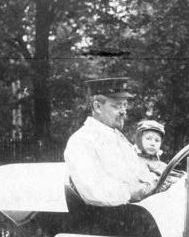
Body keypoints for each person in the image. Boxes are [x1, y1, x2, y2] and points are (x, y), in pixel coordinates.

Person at [64, 78, 159, 207]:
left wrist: (154, 181)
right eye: (116, 106)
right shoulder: (81, 141)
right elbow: (95, 192)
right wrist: (133, 192)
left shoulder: (117, 137)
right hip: (104, 219)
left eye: (124, 105)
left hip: (132, 210)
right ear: (97, 107)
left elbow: (139, 171)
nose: (123, 111)